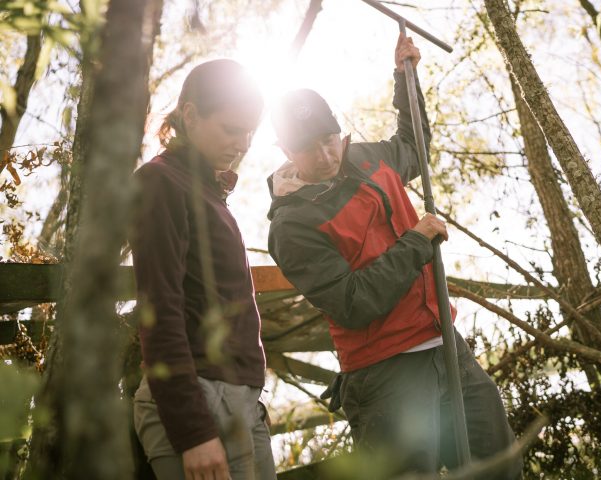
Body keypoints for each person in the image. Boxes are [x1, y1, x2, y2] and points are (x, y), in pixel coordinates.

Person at [266, 34, 521, 479]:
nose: (326, 155)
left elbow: (414, 144)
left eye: (330, 139)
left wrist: (406, 77)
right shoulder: (292, 226)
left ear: (340, 133)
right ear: (287, 153)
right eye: (310, 148)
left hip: (447, 347)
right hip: (384, 372)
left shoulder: (368, 159)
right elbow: (353, 302)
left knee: (498, 469)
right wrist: (416, 241)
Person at [130, 59, 276, 480]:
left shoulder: (207, 191)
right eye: (232, 129)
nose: (244, 143)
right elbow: (159, 310)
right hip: (198, 403)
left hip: (241, 404)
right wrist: (193, 432)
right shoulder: (161, 183)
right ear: (190, 115)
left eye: (250, 131)